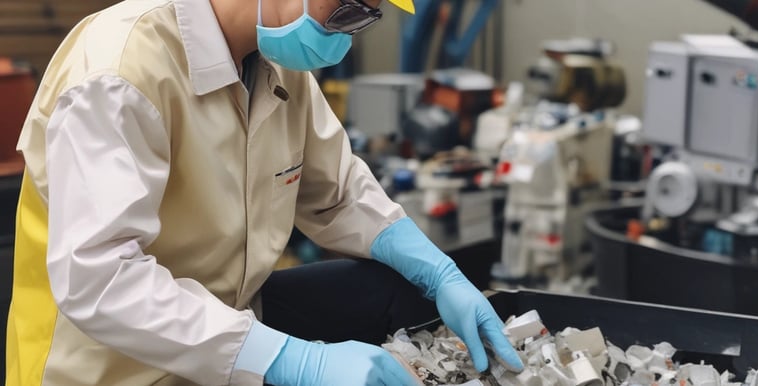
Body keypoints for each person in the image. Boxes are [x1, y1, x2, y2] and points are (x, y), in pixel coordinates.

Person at [6, 0, 524, 384]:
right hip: (113, 364)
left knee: (396, 290)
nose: (347, 34)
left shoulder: (274, 61)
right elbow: (100, 280)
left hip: (226, 328)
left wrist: (440, 272)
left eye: (366, 17)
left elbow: (338, 192)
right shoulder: (120, 71)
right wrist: (295, 362)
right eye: (346, 9)